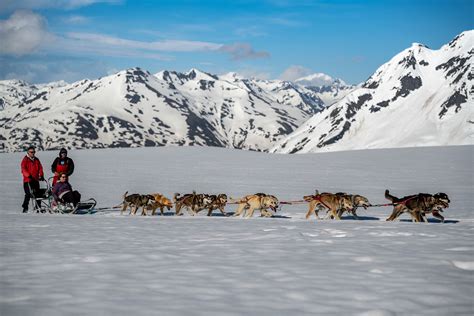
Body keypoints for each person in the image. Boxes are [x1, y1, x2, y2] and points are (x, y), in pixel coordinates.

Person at [21, 146, 45, 213]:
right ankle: (25, 207)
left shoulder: (36, 160)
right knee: (28, 194)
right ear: (28, 152)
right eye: (31, 152)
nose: (33, 153)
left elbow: (40, 168)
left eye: (34, 152)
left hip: (36, 180)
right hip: (28, 181)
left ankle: (38, 207)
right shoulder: (25, 160)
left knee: (38, 194)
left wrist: (41, 175)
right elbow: (23, 169)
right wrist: (28, 176)